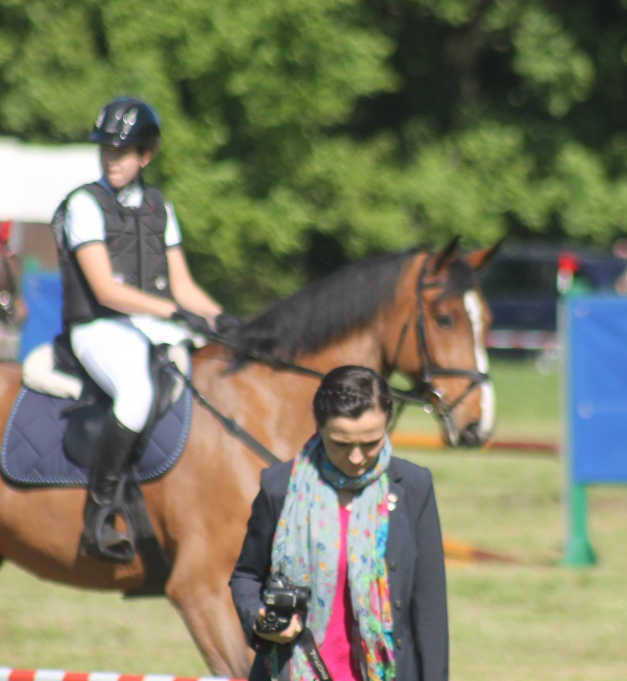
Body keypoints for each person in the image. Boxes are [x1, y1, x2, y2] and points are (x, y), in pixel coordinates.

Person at [53, 96, 234, 563]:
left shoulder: (159, 207)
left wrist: (222, 319)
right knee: (136, 393)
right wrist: (173, 311)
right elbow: (106, 290)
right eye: (106, 150)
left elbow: (185, 287)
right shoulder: (84, 204)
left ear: (145, 156)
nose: (111, 159)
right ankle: (99, 516)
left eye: (123, 151)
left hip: (150, 327)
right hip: (98, 329)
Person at [230, 365, 448, 681]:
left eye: (370, 442)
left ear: (388, 424)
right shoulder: (279, 488)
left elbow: (430, 610)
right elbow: (246, 576)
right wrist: (260, 619)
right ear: (319, 429)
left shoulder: (414, 486)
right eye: (341, 444)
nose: (357, 458)